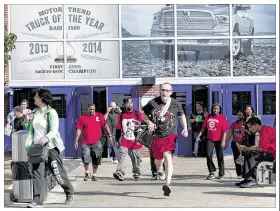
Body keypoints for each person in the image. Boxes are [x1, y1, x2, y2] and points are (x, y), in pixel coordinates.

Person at [24, 89, 74, 208]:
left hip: (50, 147)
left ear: (42, 98)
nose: (34, 98)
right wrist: (27, 120)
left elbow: (54, 129)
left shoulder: (51, 112)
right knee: (37, 174)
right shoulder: (34, 112)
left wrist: (46, 138)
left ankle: (69, 192)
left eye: (36, 96)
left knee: (57, 173)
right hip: (37, 148)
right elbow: (29, 129)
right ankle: (37, 200)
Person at [142, 82, 188, 196]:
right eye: (163, 90)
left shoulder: (175, 104)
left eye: (167, 90)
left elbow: (181, 115)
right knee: (158, 161)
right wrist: (149, 122)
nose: (165, 92)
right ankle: (159, 169)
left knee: (168, 156)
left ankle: (167, 184)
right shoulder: (152, 102)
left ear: (171, 92)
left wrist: (185, 128)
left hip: (170, 135)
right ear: (160, 90)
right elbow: (143, 114)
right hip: (156, 136)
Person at [74, 104, 113, 181]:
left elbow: (105, 126)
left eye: (93, 109)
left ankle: (94, 175)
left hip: (96, 142)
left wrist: (110, 135)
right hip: (86, 142)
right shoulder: (83, 118)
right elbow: (79, 129)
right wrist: (76, 140)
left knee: (96, 158)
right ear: (87, 109)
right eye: (90, 109)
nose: (92, 111)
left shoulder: (99, 116)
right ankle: (87, 173)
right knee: (86, 157)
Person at [236, 117, 276, 188]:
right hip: (270, 154)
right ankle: (247, 179)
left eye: (250, 127)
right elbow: (261, 147)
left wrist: (246, 148)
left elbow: (261, 149)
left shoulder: (266, 130)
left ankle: (252, 180)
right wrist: (246, 148)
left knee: (251, 154)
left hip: (274, 156)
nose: (249, 129)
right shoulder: (263, 130)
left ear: (256, 125)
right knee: (249, 153)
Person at [113, 98, 143, 181]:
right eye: (127, 103)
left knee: (136, 158)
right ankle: (120, 172)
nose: (129, 104)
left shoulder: (137, 114)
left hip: (135, 139)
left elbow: (142, 126)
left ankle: (136, 172)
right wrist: (117, 139)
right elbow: (118, 128)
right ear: (125, 105)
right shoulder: (122, 115)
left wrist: (140, 138)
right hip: (125, 139)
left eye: (130, 103)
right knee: (122, 156)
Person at [197, 103, 228, 180]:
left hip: (219, 139)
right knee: (208, 154)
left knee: (220, 155)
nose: (215, 110)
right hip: (210, 138)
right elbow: (203, 128)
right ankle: (212, 172)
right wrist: (199, 136)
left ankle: (221, 173)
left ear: (220, 110)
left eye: (217, 109)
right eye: (214, 109)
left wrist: (223, 141)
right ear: (212, 109)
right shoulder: (208, 117)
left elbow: (224, 131)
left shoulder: (222, 118)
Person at [226, 111, 245, 179]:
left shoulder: (246, 123)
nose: (239, 116)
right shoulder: (233, 124)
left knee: (244, 158)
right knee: (237, 158)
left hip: (244, 143)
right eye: (238, 115)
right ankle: (239, 173)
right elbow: (230, 134)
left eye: (241, 115)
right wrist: (226, 142)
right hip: (235, 143)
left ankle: (244, 172)